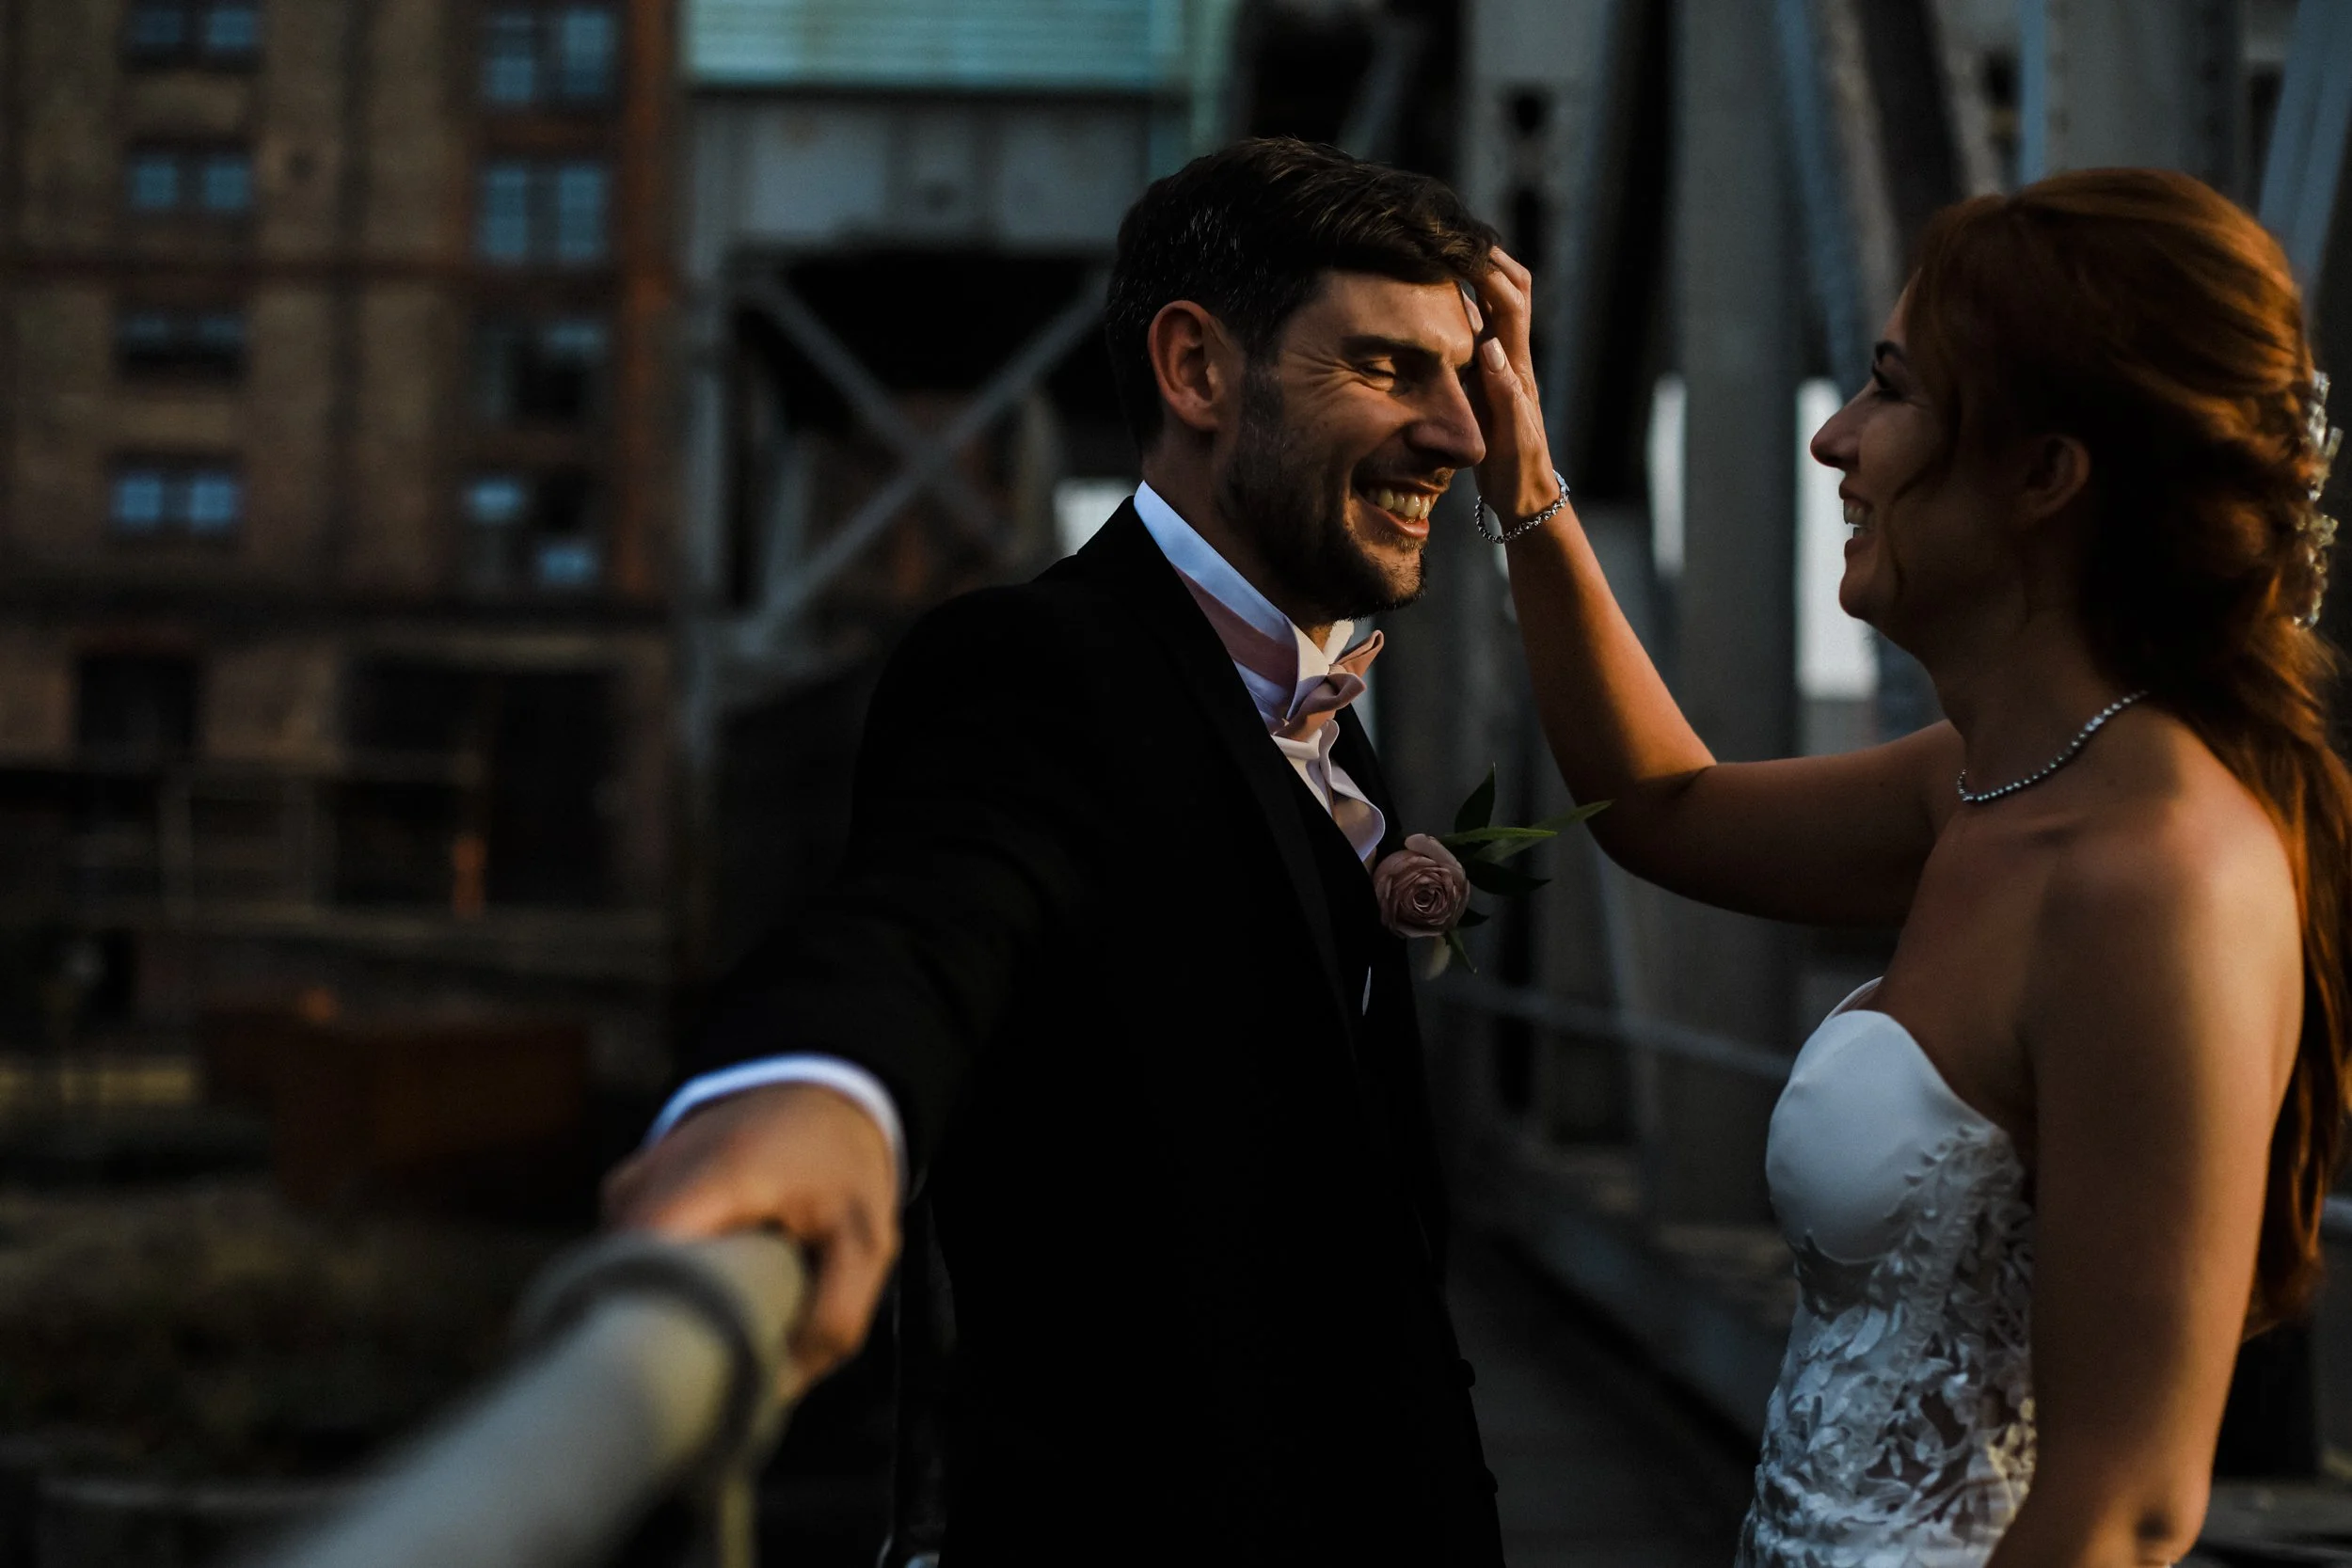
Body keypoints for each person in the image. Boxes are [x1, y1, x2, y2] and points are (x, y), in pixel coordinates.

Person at [602, 138, 1512, 1566]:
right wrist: (819, 1087)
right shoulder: (1030, 665)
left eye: (1469, 377)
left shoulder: (1331, 723)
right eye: (1394, 370)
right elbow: (931, 913)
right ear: (1199, 371)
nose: (1467, 437)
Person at [1473, 167, 2352, 1565]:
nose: (1834, 437)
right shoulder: (1988, 781)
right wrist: (1526, 478)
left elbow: (2125, 1508)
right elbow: (1664, 808)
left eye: (1889, 391)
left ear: (2046, 474)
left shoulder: (2158, 878)